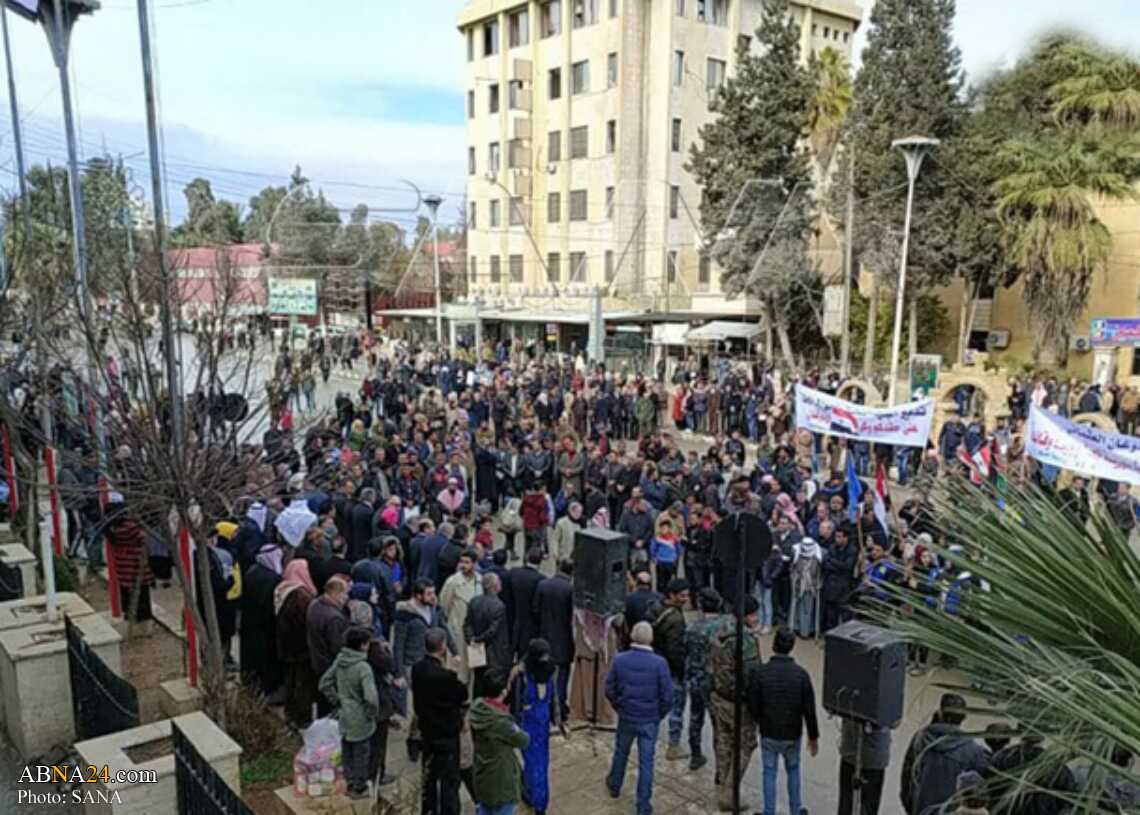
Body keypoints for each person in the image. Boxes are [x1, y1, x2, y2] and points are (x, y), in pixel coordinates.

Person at [748, 627, 820, 815]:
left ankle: (769, 811)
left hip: (769, 732)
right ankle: (795, 810)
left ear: (773, 645)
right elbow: (809, 710)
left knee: (769, 773)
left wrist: (760, 721)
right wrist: (813, 737)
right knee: (793, 770)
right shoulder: (801, 675)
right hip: (792, 733)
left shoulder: (760, 673)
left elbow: (753, 705)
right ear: (792, 646)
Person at [604, 621, 673, 815]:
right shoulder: (660, 663)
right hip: (649, 719)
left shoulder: (620, 659)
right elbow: (667, 696)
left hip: (627, 716)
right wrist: (658, 715)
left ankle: (614, 785)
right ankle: (643, 805)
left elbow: (609, 689)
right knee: (647, 762)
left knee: (621, 752)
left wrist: (619, 706)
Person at [708, 595, 764, 810]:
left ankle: (723, 784)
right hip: (738, 703)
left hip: (718, 695)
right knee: (745, 744)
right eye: (754, 614)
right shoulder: (745, 640)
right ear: (748, 615)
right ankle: (730, 791)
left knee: (723, 742)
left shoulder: (719, 629)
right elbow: (752, 675)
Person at [900, 693, 989, 815]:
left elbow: (908, 776)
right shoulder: (973, 750)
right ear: (964, 717)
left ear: (940, 713)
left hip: (921, 808)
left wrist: (910, 806)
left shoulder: (920, 738)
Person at [318, 626, 379, 799]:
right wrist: (370, 712)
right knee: (361, 753)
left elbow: (324, 683)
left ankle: (349, 781)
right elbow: (371, 697)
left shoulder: (341, 659)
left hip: (344, 713)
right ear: (361, 645)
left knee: (347, 750)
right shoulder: (363, 667)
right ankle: (359, 788)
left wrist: (337, 700)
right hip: (360, 717)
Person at [412, 628, 468, 815]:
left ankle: (428, 810)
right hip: (446, 732)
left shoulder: (417, 668)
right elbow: (461, 694)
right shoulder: (445, 676)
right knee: (449, 779)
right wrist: (452, 671)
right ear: (443, 647)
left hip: (427, 729)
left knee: (428, 775)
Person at [470, 669, 530, 815]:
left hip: (482, 775)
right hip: (501, 781)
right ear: (503, 692)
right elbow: (524, 740)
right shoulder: (502, 722)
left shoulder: (476, 708)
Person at [515, 639, 563, 815]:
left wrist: (557, 718)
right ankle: (536, 798)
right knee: (537, 762)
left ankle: (536, 799)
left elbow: (554, 696)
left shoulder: (528, 672)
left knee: (535, 762)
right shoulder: (528, 672)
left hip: (534, 722)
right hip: (534, 722)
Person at [275, 558, 319, 727]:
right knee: (302, 685)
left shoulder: (283, 589)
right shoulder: (301, 596)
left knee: (291, 681)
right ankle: (302, 719)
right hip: (301, 648)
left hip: (287, 646)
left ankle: (291, 714)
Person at [683, 587, 723, 771]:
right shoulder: (724, 628)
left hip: (696, 680)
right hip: (716, 682)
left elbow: (685, 652)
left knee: (695, 718)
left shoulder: (692, 627)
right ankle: (720, 767)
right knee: (719, 725)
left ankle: (695, 755)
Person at [650, 578, 690, 761]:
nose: (686, 599)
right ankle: (673, 745)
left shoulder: (655, 608)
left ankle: (649, 741)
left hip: (655, 662)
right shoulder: (675, 619)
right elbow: (676, 651)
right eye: (682, 595)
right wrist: (682, 672)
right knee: (676, 709)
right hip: (670, 668)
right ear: (672, 596)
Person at [534, 559, 575, 721]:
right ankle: (559, 709)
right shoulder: (570, 589)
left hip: (544, 636)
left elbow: (535, 609)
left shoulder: (543, 585)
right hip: (563, 639)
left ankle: (545, 705)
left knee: (544, 675)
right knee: (562, 677)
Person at [241, 550, 284, 699]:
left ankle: (249, 685)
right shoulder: (273, 579)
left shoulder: (251, 571)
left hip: (249, 621)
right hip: (264, 626)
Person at [307, 576, 351, 718]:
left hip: (316, 662)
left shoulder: (314, 604)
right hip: (330, 666)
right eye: (345, 594)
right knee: (331, 707)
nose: (346, 598)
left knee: (322, 704)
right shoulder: (334, 618)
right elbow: (338, 647)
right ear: (335, 593)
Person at [439, 548, 483, 685]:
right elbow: (443, 606)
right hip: (457, 631)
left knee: (475, 666)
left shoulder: (480, 581)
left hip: (475, 633)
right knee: (457, 668)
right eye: (462, 562)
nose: (464, 565)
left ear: (475, 564)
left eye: (467, 562)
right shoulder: (452, 582)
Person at [465, 572, 511, 698]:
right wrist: (479, 639)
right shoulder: (499, 606)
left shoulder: (474, 601)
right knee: (491, 683)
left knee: (478, 680)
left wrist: (472, 639)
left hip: (476, 649)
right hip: (493, 651)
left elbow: (467, 624)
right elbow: (493, 630)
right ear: (495, 586)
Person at [837, 718, 891, 815]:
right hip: (875, 756)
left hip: (850, 750)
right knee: (869, 807)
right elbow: (895, 721)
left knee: (846, 804)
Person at [506, 547, 544, 659]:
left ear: (526, 558)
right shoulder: (541, 579)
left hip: (513, 619)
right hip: (531, 625)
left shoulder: (513, 572)